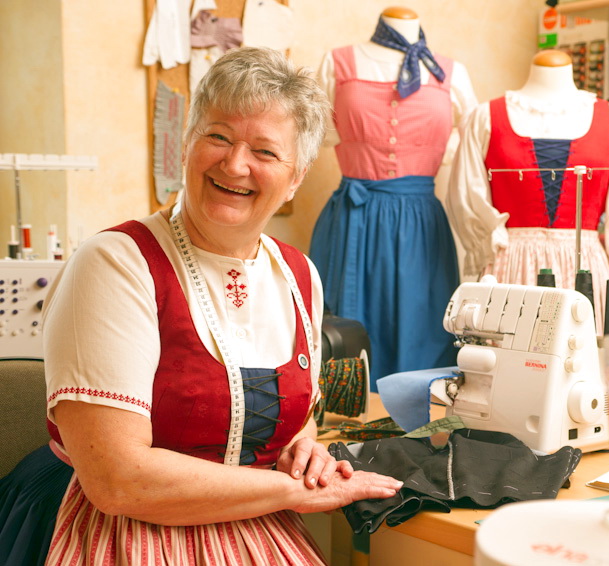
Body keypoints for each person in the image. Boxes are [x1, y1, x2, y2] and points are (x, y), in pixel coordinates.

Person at [20, 46, 402, 565]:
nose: (235, 164)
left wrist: (304, 448)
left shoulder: (299, 276)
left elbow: (299, 417)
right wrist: (293, 492)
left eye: (265, 152)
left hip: (256, 521)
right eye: (218, 137)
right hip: (115, 527)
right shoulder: (115, 263)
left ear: (296, 176)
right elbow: (118, 481)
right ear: (187, 144)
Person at [309, 7, 478, 389]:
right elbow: (311, 134)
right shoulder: (337, 64)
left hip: (421, 228)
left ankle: (420, 417)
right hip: (353, 218)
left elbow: (475, 145)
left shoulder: (450, 74)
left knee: (423, 329)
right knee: (345, 336)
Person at [446, 49, 609, 331]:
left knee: (582, 352)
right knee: (509, 354)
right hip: (511, 272)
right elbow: (466, 200)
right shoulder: (484, 118)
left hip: (586, 273)